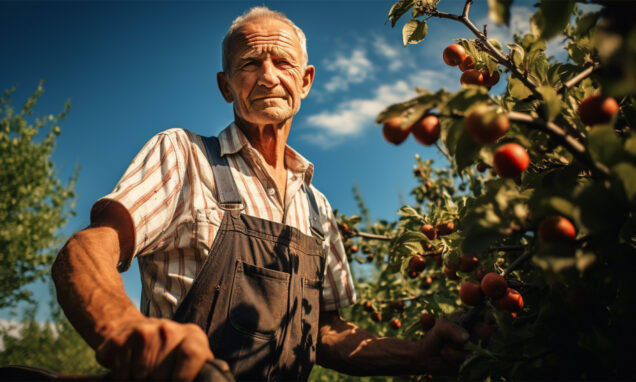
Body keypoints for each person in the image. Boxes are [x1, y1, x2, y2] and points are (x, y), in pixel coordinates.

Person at [52, 6, 469, 381]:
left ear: (304, 81)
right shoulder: (185, 156)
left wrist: (417, 354)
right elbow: (89, 246)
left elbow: (325, 332)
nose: (268, 76)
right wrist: (124, 326)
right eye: (249, 63)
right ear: (226, 86)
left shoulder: (317, 207)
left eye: (283, 62)